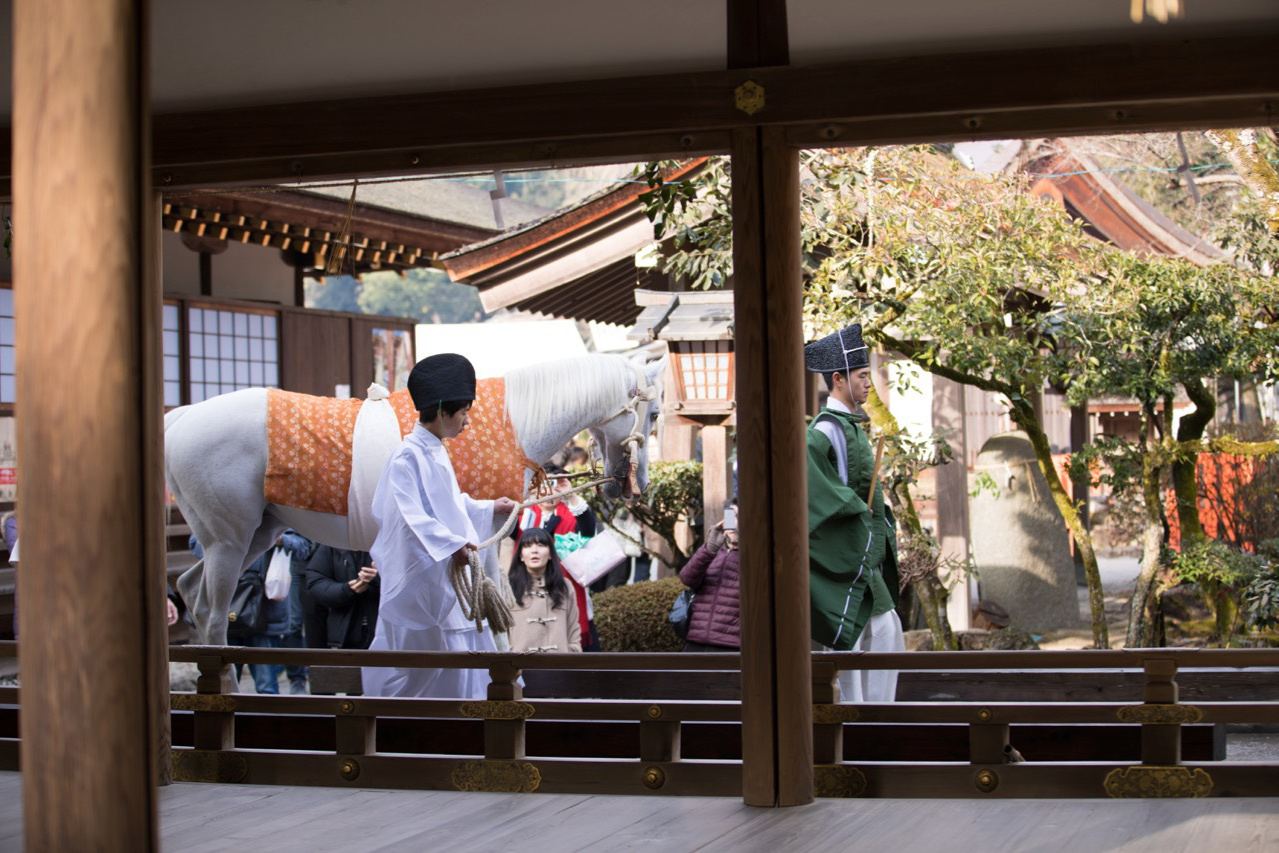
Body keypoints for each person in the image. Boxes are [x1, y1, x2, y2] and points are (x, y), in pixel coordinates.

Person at [361, 353, 517, 699]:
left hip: (445, 579)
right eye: (463, 413)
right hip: (425, 587)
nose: (466, 422)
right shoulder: (407, 456)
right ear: (443, 410)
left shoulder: (434, 450)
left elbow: (447, 505)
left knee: (461, 658)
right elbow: (406, 518)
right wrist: (451, 545)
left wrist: (489, 506)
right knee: (429, 665)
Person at [804, 322, 903, 703]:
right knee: (865, 632)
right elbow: (819, 492)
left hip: (862, 550)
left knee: (880, 631)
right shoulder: (824, 431)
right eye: (862, 376)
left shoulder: (851, 427)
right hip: (847, 551)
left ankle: (872, 721)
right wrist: (860, 517)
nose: (868, 384)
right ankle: (861, 723)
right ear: (838, 379)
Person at [513, 464, 601, 650]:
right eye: (544, 484)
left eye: (554, 484)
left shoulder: (571, 514)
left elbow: (587, 530)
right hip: (526, 592)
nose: (549, 491)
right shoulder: (524, 514)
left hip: (565, 590)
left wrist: (570, 493)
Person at [506, 527, 582, 653]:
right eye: (528, 546)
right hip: (519, 666)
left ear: (551, 554)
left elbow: (573, 629)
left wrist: (572, 652)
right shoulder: (508, 587)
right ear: (521, 555)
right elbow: (500, 632)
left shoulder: (564, 586)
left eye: (541, 545)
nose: (534, 551)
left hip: (559, 666)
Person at [677, 503, 740, 653]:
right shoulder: (714, 552)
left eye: (736, 516)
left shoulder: (757, 555)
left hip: (730, 644)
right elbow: (687, 579)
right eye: (729, 515)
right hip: (696, 639)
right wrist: (709, 549)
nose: (730, 522)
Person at [305, 545, 379, 649]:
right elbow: (316, 584)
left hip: (383, 636)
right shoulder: (330, 545)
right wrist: (346, 590)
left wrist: (379, 579)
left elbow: (404, 583)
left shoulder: (388, 542)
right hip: (343, 637)